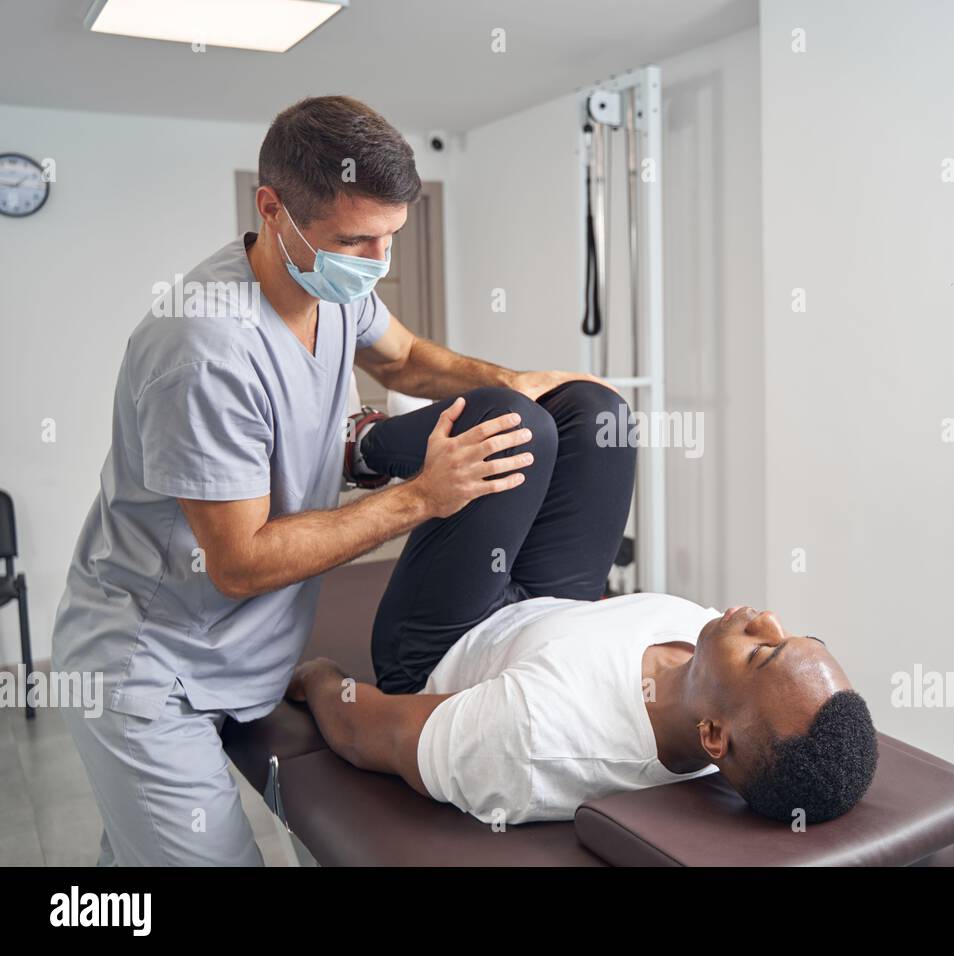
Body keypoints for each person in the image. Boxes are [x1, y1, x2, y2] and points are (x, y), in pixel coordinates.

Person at [51, 95, 602, 866]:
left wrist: (511, 379)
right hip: (152, 673)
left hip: (243, 655)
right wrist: (419, 497)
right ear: (271, 210)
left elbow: (405, 358)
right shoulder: (203, 348)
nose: (376, 261)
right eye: (356, 240)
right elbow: (240, 561)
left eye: (390, 239)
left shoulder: (329, 283)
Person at [290, 380, 879, 825]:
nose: (764, 620)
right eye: (792, 635)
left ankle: (359, 447)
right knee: (601, 415)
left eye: (761, 655)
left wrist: (318, 677)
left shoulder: (539, 738)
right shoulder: (718, 680)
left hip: (444, 643)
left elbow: (370, 732)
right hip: (551, 609)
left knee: (507, 426)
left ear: (714, 739)